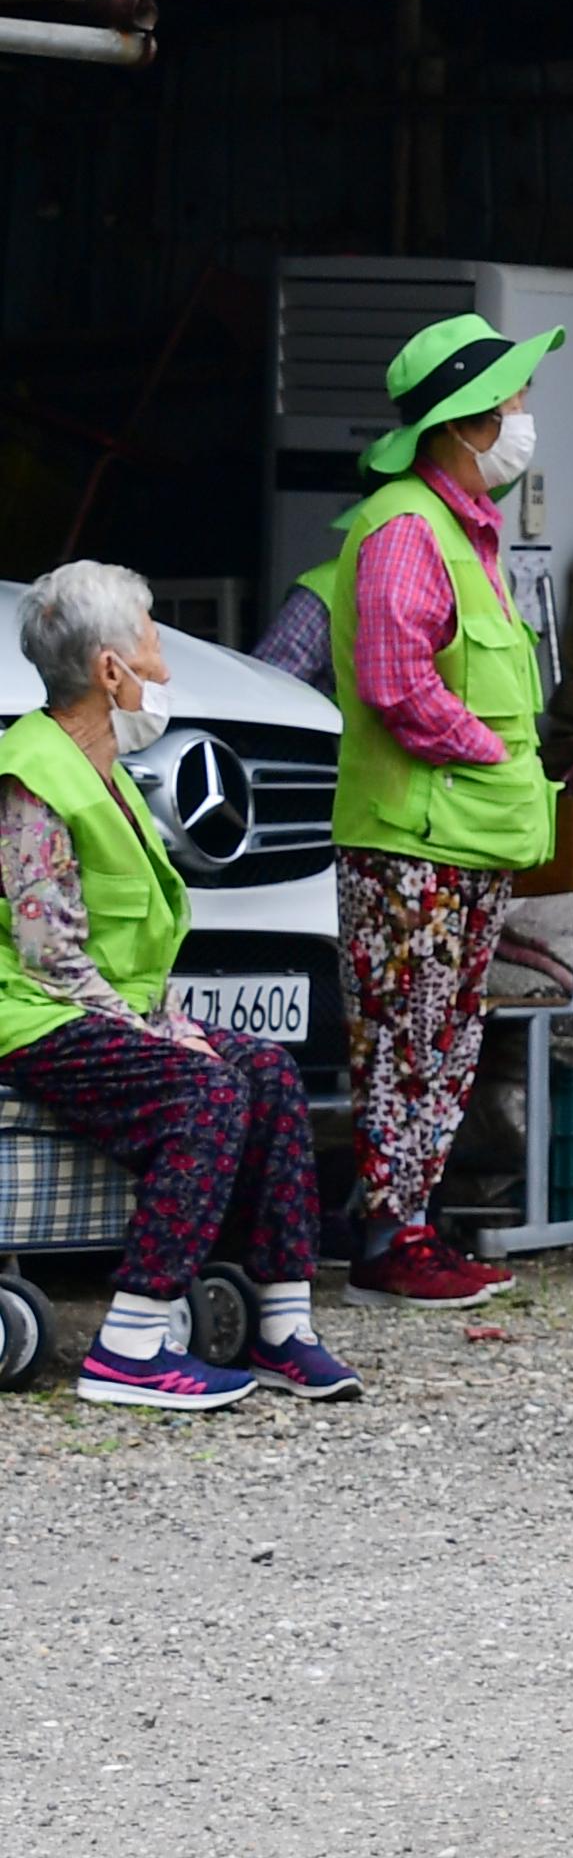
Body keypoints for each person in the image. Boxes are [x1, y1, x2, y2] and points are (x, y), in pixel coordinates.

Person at [1, 565, 361, 1409]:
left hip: (98, 1011)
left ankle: (281, 1323)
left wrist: (166, 1015)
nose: (165, 661)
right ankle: (129, 1345)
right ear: (109, 671)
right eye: (152, 638)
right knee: (205, 1091)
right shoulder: (32, 775)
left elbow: (134, 953)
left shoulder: (108, 775)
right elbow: (49, 955)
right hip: (33, 1018)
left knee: (265, 1071)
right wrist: (161, 1031)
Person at [300, 310, 567, 1305]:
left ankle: (408, 1224)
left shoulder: (463, 528)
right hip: (414, 842)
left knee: (442, 1041)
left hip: (460, 838)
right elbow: (395, 682)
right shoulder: (408, 526)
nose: (523, 412)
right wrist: (490, 751)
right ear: (464, 422)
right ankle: (387, 1239)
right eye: (511, 400)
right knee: (408, 1043)